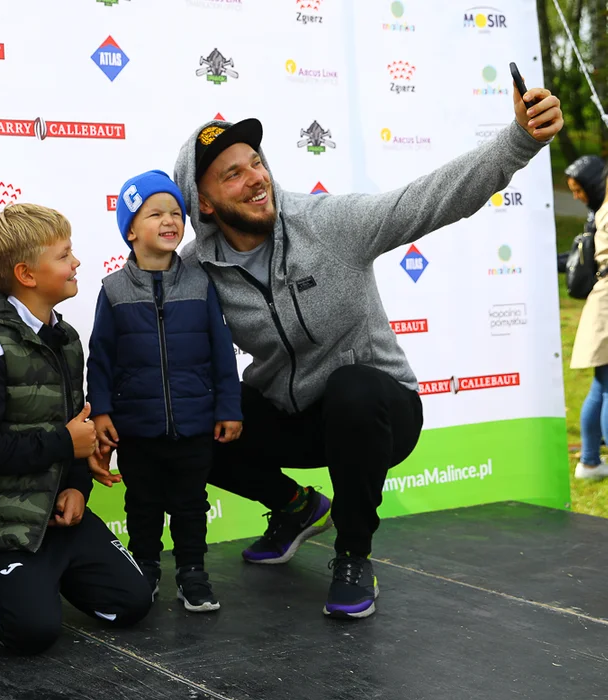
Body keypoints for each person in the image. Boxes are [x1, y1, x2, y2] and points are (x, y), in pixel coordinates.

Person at [166, 83, 563, 618]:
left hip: (379, 410)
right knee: (187, 411)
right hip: (295, 413)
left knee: (351, 387)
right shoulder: (196, 269)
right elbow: (156, 337)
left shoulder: (327, 225)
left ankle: (353, 555)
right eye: (232, 173)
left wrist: (519, 139)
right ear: (205, 203)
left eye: (255, 163)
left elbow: (429, 199)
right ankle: (295, 507)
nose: (256, 178)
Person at [0, 202, 153, 655]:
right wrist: (64, 444)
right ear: (27, 274)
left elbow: (73, 427)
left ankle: (42, 580)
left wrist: (77, 486)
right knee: (32, 632)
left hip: (56, 515)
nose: (76, 262)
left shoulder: (66, 337)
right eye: (64, 254)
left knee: (133, 603)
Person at [86, 170, 242, 612]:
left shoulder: (200, 283)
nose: (170, 220)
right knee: (143, 503)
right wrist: (101, 412)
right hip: (137, 428)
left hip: (195, 424)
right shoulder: (112, 291)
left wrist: (228, 407)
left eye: (176, 212)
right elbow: (101, 359)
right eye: (155, 213)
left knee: (192, 505)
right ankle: (146, 567)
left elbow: (221, 351)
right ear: (131, 229)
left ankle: (193, 572)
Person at [571, 162, 608, 480]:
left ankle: (591, 462)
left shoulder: (602, 208)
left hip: (603, 300)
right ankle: (591, 461)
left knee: (601, 387)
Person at [557, 155, 605, 273]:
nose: (575, 197)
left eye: (578, 190)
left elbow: (590, 257)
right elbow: (586, 253)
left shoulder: (604, 215)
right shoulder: (596, 211)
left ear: (593, 187)